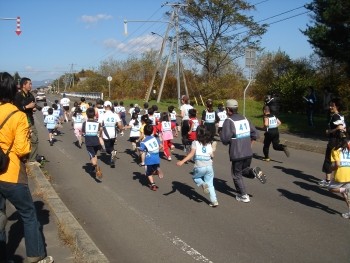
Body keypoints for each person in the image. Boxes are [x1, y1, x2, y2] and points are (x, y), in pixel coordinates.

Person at [0, 72, 54, 263]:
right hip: (11, 173)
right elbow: (23, 149)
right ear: (11, 89)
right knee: (29, 215)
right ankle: (36, 255)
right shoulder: (16, 115)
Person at [220, 99, 267, 203]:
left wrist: (222, 133)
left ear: (228, 109)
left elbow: (224, 139)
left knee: (236, 174)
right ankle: (254, 173)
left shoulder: (229, 121)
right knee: (244, 170)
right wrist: (248, 142)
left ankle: (243, 195)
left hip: (237, 153)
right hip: (248, 152)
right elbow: (255, 134)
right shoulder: (245, 119)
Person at [177, 125, 219, 207]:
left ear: (197, 133)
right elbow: (212, 155)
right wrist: (213, 149)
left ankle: (203, 184)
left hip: (199, 166)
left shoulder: (195, 142)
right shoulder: (208, 143)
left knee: (196, 178)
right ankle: (214, 201)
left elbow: (191, 154)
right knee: (210, 184)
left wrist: (182, 161)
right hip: (209, 166)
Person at [319, 98, 346, 187]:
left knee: (328, 160)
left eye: (332, 105)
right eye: (330, 105)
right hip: (342, 141)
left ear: (337, 106)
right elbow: (344, 128)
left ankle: (328, 181)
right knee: (340, 161)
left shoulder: (335, 116)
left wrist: (329, 131)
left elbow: (340, 127)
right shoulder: (341, 116)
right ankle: (343, 180)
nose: (330, 107)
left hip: (334, 141)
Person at [14, 77, 40, 165]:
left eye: (31, 84)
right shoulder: (18, 96)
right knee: (24, 140)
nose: (31, 85)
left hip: (30, 120)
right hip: (21, 122)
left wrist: (33, 108)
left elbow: (33, 105)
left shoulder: (30, 95)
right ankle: (26, 159)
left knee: (34, 139)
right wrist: (27, 107)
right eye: (30, 84)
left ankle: (32, 159)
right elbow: (15, 109)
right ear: (24, 85)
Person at [328, 130, 350, 219]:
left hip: (341, 174)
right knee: (347, 195)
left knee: (331, 188)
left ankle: (344, 190)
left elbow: (337, 164)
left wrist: (331, 168)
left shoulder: (335, 150)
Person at [138, 124, 164, 191]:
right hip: (156, 157)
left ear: (144, 131)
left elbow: (141, 151)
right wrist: (157, 150)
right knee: (154, 169)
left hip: (149, 159)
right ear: (152, 131)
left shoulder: (143, 142)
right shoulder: (155, 138)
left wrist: (138, 151)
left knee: (148, 173)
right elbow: (161, 146)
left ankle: (153, 185)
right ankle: (157, 170)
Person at [100, 101, 123, 168]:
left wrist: (99, 134)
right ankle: (112, 160)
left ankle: (113, 153)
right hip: (114, 133)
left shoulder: (103, 115)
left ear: (104, 106)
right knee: (112, 146)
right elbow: (119, 124)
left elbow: (100, 125)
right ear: (111, 106)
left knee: (107, 149)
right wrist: (121, 130)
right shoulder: (115, 114)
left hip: (106, 134)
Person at [82, 107, 103, 179]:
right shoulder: (98, 123)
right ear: (94, 115)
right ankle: (93, 167)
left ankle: (96, 167)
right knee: (95, 154)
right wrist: (99, 136)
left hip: (89, 142)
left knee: (92, 156)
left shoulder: (85, 123)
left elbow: (83, 132)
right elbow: (100, 131)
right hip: (96, 141)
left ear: (87, 115)